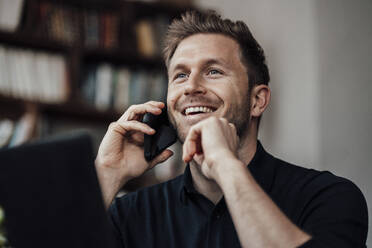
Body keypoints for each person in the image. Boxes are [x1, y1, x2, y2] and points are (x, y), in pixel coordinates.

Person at [95, 10, 368, 248]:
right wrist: (106, 174)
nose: (190, 87)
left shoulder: (329, 197)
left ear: (257, 101)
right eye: (180, 75)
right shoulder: (130, 214)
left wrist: (226, 165)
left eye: (213, 71)